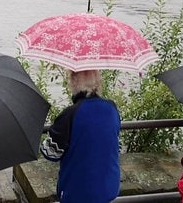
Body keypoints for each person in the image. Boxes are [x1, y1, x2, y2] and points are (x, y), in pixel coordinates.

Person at [39, 69, 121, 203]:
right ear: (97, 81)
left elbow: (50, 154)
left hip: (78, 192)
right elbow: (115, 142)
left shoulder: (70, 114)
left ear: (73, 82)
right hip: (108, 187)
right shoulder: (111, 108)